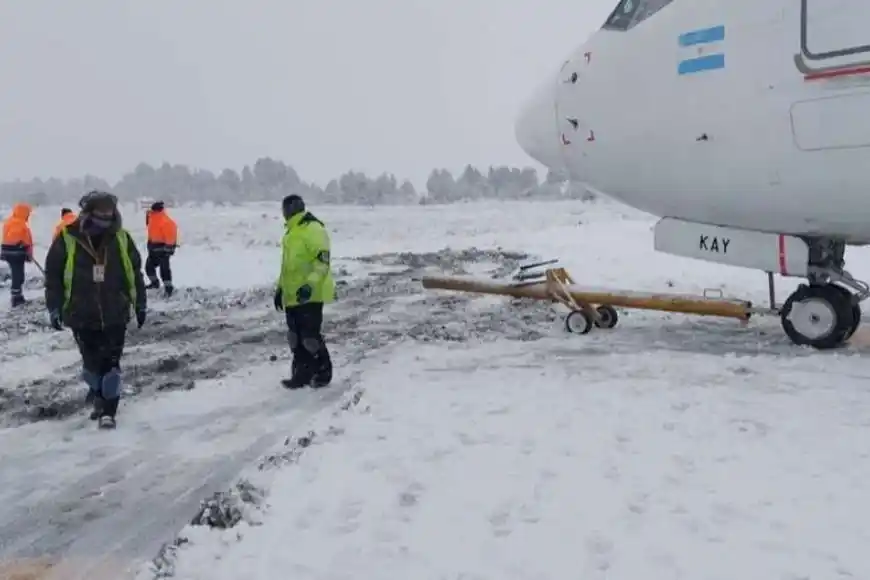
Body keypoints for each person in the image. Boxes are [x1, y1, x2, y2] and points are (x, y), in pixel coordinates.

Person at [44, 191, 147, 429]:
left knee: (111, 365)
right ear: (88, 212)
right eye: (101, 213)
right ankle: (98, 395)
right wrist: (54, 307)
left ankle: (108, 410)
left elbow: (134, 273)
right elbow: (53, 277)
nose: (106, 217)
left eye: (109, 213)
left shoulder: (121, 238)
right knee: (91, 366)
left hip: (115, 312)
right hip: (80, 313)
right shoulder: (67, 238)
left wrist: (140, 302)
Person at [273, 194, 335, 389]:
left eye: (286, 209)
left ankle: (323, 372)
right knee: (295, 338)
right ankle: (302, 374)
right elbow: (287, 266)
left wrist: (310, 285)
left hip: (311, 294)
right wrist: (280, 288)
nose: (284, 213)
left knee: (309, 338)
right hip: (292, 295)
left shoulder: (313, 229)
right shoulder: (291, 233)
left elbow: (322, 262)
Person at [1, 203, 34, 307]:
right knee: (18, 275)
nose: (28, 215)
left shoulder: (8, 222)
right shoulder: (22, 225)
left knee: (16, 274)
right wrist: (29, 254)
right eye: (27, 213)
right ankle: (16, 298)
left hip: (7, 252)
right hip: (18, 253)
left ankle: (17, 296)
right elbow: (27, 241)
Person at [144, 201, 178, 296]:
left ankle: (168, 288)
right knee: (149, 267)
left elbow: (171, 236)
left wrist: (169, 250)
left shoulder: (166, 221)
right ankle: (155, 283)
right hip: (153, 248)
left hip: (163, 250)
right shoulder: (152, 218)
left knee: (164, 269)